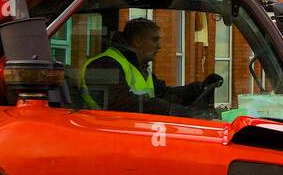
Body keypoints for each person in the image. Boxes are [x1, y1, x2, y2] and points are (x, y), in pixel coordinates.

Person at [80, 17, 223, 115]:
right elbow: (125, 104)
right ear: (137, 41)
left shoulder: (140, 67)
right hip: (106, 141)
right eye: (154, 40)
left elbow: (166, 94)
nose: (159, 46)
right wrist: (174, 111)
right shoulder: (104, 65)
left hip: (134, 136)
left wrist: (198, 88)